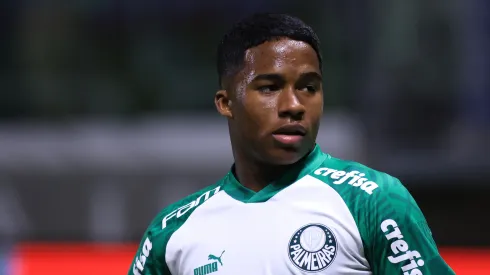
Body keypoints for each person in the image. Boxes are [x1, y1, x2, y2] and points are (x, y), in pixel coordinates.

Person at [128, 13, 455, 275]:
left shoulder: (373, 202)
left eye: (309, 88)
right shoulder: (172, 233)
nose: (294, 105)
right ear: (225, 103)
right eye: (270, 88)